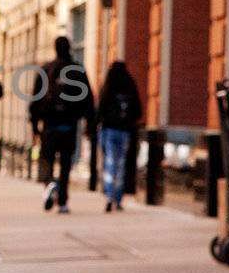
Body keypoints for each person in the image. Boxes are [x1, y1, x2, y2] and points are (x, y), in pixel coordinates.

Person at [27, 35, 95, 214]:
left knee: (47, 159)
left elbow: (35, 100)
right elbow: (88, 100)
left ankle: (50, 182)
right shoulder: (77, 70)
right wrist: (90, 125)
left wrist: (34, 125)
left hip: (49, 126)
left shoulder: (46, 69)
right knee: (65, 163)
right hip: (69, 125)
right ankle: (63, 201)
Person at [96, 59, 143, 211]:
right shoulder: (130, 85)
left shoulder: (109, 86)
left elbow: (100, 108)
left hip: (109, 130)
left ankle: (109, 194)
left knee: (110, 163)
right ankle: (118, 197)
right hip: (125, 132)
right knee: (121, 164)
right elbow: (138, 111)